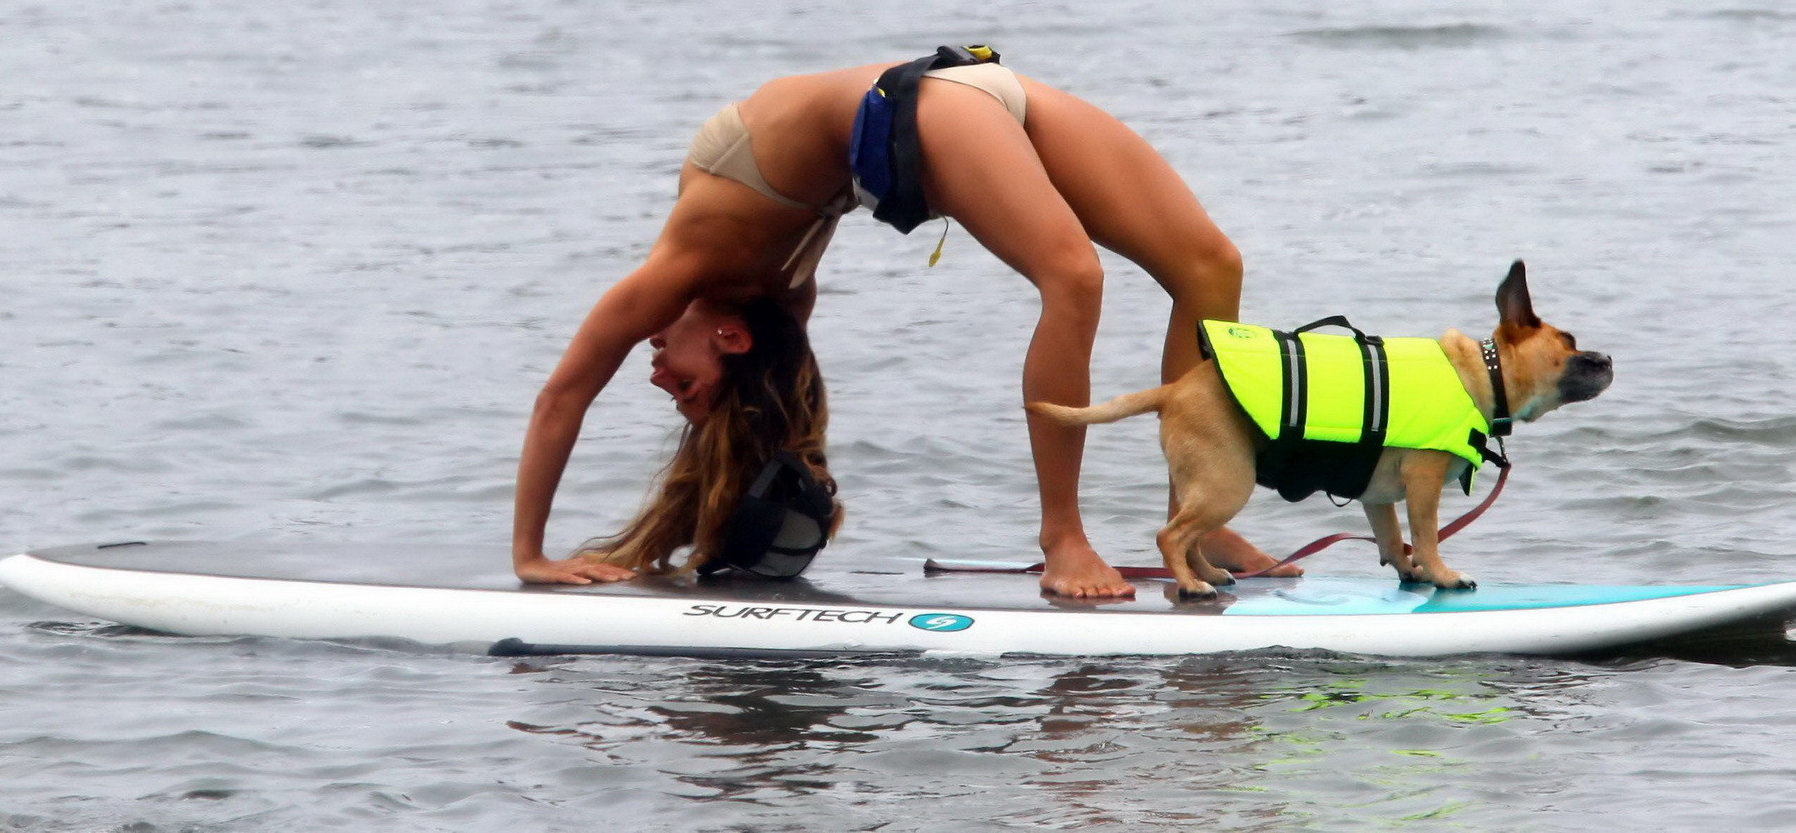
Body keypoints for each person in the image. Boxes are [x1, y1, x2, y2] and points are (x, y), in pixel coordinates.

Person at [512, 47, 1293, 597]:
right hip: (946, 97)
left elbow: (561, 396)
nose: (658, 373)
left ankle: (1117, 530)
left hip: (938, 98)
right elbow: (780, 410)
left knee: (1196, 268)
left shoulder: (677, 270)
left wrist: (529, 555)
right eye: (684, 392)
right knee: (1104, 275)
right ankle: (1108, 531)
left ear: (729, 336)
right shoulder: (780, 300)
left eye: (676, 381)